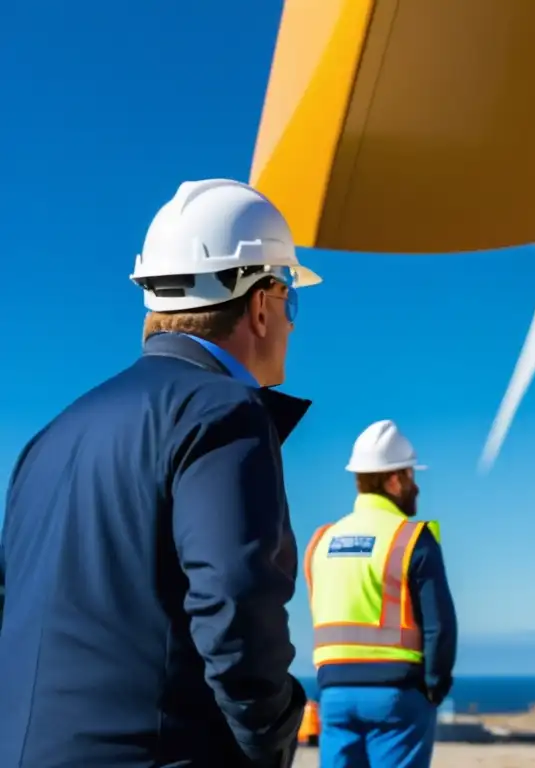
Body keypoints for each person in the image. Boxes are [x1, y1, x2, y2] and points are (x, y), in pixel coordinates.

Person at [0, 178, 322, 767]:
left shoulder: (47, 440)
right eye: (290, 300)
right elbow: (235, 606)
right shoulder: (224, 412)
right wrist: (272, 740)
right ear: (259, 306)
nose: (292, 324)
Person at [305, 420, 458, 768]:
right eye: (410, 477)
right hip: (397, 695)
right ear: (393, 479)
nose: (415, 487)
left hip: (334, 694)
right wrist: (434, 687)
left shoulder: (322, 540)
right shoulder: (412, 539)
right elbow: (440, 626)